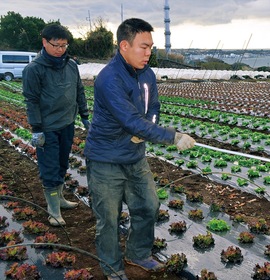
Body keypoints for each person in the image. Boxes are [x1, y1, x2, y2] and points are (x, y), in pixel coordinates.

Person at [84, 18, 195, 280]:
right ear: (124, 45)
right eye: (143, 47)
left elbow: (152, 109)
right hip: (106, 160)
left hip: (134, 157)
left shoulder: (147, 74)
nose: (149, 53)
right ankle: (112, 268)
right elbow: (131, 120)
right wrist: (172, 136)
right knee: (109, 220)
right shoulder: (109, 79)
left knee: (148, 205)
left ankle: (139, 253)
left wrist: (147, 130)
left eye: (151, 47)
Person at [22, 23, 90, 227]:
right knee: (50, 168)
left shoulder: (70, 66)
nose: (60, 49)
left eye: (64, 45)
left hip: (67, 124)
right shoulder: (34, 70)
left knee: (62, 164)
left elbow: (79, 90)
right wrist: (37, 129)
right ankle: (53, 211)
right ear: (45, 42)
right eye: (56, 45)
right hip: (47, 128)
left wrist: (85, 115)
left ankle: (59, 198)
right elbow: (31, 101)